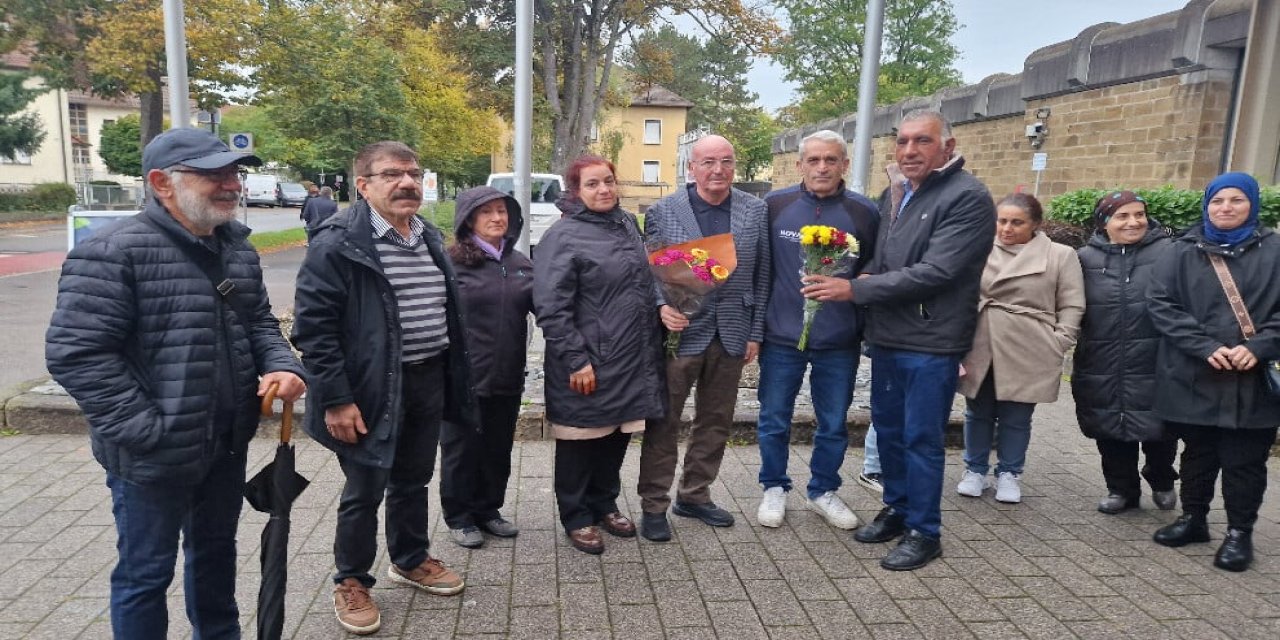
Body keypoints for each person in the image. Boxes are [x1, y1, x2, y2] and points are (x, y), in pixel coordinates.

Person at [45, 128, 307, 639]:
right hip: (151, 454)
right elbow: (76, 354)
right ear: (162, 183)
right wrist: (149, 430)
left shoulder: (236, 249)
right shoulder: (113, 252)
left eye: (234, 173)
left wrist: (285, 367)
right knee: (146, 573)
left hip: (226, 444)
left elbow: (258, 324)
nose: (231, 184)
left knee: (215, 557)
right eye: (214, 174)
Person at [292, 141, 476, 635]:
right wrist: (335, 397)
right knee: (365, 485)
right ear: (364, 185)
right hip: (368, 388)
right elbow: (314, 331)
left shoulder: (428, 235)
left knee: (413, 478)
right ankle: (351, 580)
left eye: (414, 173)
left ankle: (410, 558)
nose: (407, 182)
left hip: (426, 376)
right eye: (392, 173)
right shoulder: (337, 244)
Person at [809, 109, 994, 571]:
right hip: (888, 334)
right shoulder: (899, 193)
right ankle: (898, 507)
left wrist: (855, 289)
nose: (910, 151)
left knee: (921, 439)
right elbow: (884, 255)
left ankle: (925, 531)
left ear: (947, 148)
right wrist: (864, 270)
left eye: (922, 142)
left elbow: (938, 271)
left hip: (931, 340)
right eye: (903, 141)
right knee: (888, 431)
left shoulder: (967, 197)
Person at [636, 134, 770, 541]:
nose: (718, 170)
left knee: (716, 420)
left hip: (732, 330)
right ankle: (654, 503)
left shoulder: (755, 210)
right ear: (691, 168)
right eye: (708, 162)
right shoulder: (664, 210)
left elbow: (763, 274)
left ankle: (694, 494)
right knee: (664, 421)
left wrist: (756, 331)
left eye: (726, 161)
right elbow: (652, 268)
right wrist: (662, 307)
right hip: (683, 331)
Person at [1147, 172, 1280, 573]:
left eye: (1236, 200)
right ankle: (1194, 519)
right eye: (1218, 200)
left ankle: (1240, 533)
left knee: (1244, 462)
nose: (1225, 208)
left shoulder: (1276, 250)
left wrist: (1257, 347)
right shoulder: (1180, 250)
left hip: (1250, 378)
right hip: (1196, 371)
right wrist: (1206, 347)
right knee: (1198, 454)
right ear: (1206, 205)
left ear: (1252, 205)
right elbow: (1161, 304)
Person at [534, 155, 666, 555]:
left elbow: (644, 280)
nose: (604, 189)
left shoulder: (626, 223)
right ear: (576, 191)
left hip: (630, 356)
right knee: (580, 439)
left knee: (615, 437)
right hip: (588, 360)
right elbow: (551, 306)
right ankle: (576, 515)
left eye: (608, 181)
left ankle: (604, 502)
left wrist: (662, 308)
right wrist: (577, 359)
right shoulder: (564, 236)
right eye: (592, 184)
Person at [755, 129, 878, 530]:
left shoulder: (864, 212)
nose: (822, 167)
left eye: (831, 160)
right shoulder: (774, 205)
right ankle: (774, 486)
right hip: (781, 337)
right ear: (800, 165)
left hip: (838, 339)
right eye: (814, 160)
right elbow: (761, 269)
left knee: (833, 421)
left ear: (844, 164)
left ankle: (823, 490)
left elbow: (873, 271)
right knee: (774, 417)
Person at [955, 193, 1085, 503]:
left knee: (1017, 415)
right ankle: (975, 470)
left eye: (1017, 222)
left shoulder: (1060, 255)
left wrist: (1059, 341)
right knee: (977, 410)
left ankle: (1009, 473)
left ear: (1036, 224)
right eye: (1001, 221)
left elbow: (1072, 303)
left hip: (1030, 345)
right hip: (981, 341)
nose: (1007, 229)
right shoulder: (979, 248)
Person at [439, 186, 535, 548]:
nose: (497, 218)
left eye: (502, 211)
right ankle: (459, 516)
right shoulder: (452, 262)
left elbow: (551, 310)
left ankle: (488, 509)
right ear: (469, 220)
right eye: (487, 212)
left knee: (497, 449)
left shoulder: (521, 264)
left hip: (507, 374)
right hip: (463, 378)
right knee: (461, 449)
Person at [1072, 191, 1178, 514]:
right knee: (1109, 426)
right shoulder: (1083, 259)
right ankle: (1122, 489)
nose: (1133, 222)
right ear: (1105, 223)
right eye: (1122, 216)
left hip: (1156, 358)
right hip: (1102, 358)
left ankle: (1161, 478)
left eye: (1139, 214)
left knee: (1162, 429)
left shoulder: (1170, 252)